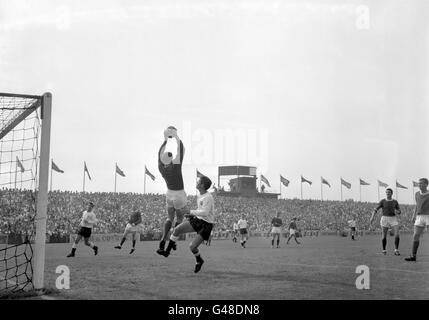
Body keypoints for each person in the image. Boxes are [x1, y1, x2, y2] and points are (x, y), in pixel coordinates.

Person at [157, 176, 215, 273]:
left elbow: (205, 212)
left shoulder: (208, 197)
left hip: (206, 224)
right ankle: (167, 252)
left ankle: (199, 260)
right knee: (177, 230)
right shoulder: (200, 195)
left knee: (192, 247)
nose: (197, 182)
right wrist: (190, 214)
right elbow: (201, 211)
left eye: (199, 181)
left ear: (202, 185)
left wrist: (190, 211)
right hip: (198, 220)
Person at [156, 126, 187, 255]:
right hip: (179, 194)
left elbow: (159, 154)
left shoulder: (161, 168)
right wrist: (176, 136)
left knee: (169, 217)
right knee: (180, 219)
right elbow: (182, 149)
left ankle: (163, 239)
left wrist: (165, 140)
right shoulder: (175, 166)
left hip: (169, 193)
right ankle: (173, 240)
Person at [370, 188, 401, 255]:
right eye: (386, 192)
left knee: (397, 234)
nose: (387, 193)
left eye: (389, 192)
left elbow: (399, 211)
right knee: (384, 235)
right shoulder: (382, 201)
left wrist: (398, 211)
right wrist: (372, 217)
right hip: (385, 218)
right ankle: (384, 250)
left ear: (391, 193)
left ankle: (396, 250)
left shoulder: (395, 202)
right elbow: (375, 209)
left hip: (393, 218)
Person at [405, 178, 429, 262]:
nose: (419, 185)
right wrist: (413, 215)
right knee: (415, 236)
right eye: (419, 184)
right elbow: (416, 205)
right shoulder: (417, 194)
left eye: (421, 183)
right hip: (419, 217)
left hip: (428, 216)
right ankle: (413, 256)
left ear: (426, 184)